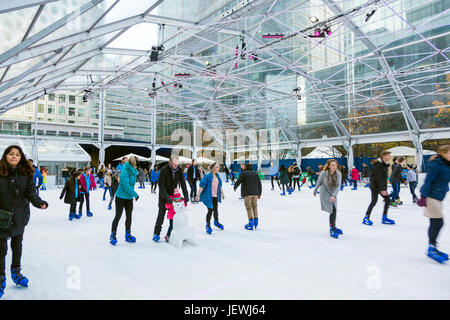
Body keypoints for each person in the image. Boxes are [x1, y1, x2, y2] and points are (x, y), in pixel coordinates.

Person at [0, 145, 48, 298]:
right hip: (1, 216)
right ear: (5, 156)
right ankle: (1, 279)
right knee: (1, 250)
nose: (14, 156)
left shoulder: (25, 173)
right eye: (11, 154)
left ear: (21, 157)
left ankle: (16, 273)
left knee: (17, 246)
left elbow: (30, 192)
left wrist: (39, 202)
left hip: (19, 215)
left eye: (17, 154)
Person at [417, 145, 450, 263]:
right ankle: (431, 247)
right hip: (431, 197)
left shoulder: (446, 164)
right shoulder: (436, 165)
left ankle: (433, 247)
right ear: (443, 153)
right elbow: (428, 181)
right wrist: (423, 197)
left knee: (435, 222)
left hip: (438, 196)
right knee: (438, 222)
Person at [152, 155, 189, 242]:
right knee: (161, 214)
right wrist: (167, 197)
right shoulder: (164, 170)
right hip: (163, 196)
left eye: (177, 164)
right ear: (170, 162)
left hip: (173, 196)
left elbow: (183, 183)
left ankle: (170, 234)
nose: (176, 165)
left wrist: (186, 195)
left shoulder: (179, 170)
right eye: (175, 164)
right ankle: (156, 233)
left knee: (173, 216)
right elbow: (161, 186)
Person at [110, 156, 140, 246]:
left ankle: (128, 234)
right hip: (120, 197)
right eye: (137, 164)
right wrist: (135, 194)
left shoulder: (134, 172)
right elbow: (126, 186)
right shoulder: (124, 171)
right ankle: (113, 234)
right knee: (118, 216)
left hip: (129, 198)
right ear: (133, 164)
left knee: (129, 216)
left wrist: (132, 195)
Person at [362, 150, 395, 226]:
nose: (389, 157)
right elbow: (378, 178)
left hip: (380, 186)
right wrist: (382, 189)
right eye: (388, 155)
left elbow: (384, 178)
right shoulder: (378, 165)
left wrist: (384, 189)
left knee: (387, 199)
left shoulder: (384, 165)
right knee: (374, 201)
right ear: (383, 156)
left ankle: (384, 217)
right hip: (375, 186)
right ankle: (366, 218)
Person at [313, 159, 342, 238]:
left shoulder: (339, 174)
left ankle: (333, 227)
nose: (334, 166)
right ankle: (332, 229)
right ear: (329, 166)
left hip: (333, 193)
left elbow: (338, 186)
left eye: (335, 165)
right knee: (332, 210)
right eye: (332, 165)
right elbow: (319, 182)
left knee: (334, 210)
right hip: (324, 192)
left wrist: (334, 195)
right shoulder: (323, 173)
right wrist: (315, 191)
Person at [196, 162, 224, 234]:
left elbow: (219, 185)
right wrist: (198, 194)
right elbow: (202, 186)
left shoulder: (217, 176)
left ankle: (216, 222)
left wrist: (222, 193)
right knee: (210, 210)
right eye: (217, 167)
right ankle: (208, 225)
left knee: (216, 210)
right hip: (209, 196)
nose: (218, 168)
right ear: (213, 168)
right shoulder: (207, 176)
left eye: (218, 167)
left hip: (215, 196)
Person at [233, 163, 262, 230]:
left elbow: (239, 181)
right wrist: (259, 193)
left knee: (249, 208)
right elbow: (259, 184)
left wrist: (235, 186)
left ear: (245, 167)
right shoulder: (255, 174)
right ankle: (256, 221)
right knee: (254, 207)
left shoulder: (244, 173)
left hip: (247, 193)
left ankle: (251, 223)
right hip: (255, 194)